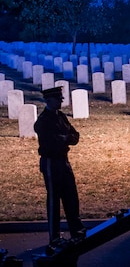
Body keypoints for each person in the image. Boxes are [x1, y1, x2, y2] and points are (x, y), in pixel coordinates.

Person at [34, 86, 86, 245]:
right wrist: (64, 139)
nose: (61, 101)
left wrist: (65, 138)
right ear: (49, 100)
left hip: (63, 160)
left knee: (71, 196)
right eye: (58, 98)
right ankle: (54, 237)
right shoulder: (43, 121)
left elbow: (75, 136)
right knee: (54, 200)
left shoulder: (61, 116)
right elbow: (51, 143)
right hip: (51, 162)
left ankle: (76, 229)